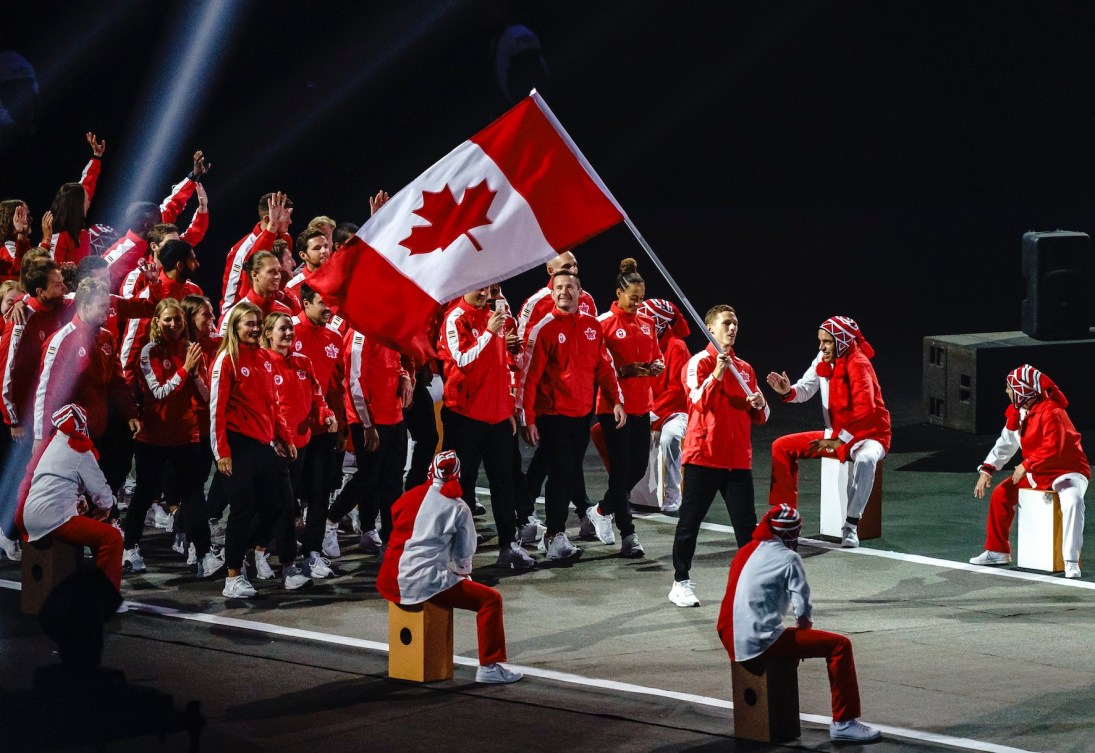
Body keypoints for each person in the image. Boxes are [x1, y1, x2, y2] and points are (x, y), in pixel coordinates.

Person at [717, 504, 882, 743]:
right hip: (758, 640)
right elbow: (803, 611)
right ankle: (844, 723)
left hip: (729, 634)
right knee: (839, 646)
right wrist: (798, 645)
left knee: (784, 635)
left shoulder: (745, 550)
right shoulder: (789, 558)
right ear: (792, 535)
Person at [377, 450, 523, 684]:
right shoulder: (458, 507)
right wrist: (463, 575)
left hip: (391, 576)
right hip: (423, 579)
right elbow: (464, 553)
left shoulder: (409, 496)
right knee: (490, 600)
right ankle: (489, 666)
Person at [519, 270, 624, 560]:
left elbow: (604, 365)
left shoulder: (592, 326)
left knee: (566, 472)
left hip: (582, 412)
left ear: (580, 292)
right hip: (553, 414)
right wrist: (527, 418)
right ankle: (555, 535)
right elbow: (529, 378)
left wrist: (616, 400)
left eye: (570, 287)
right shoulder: (544, 328)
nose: (564, 292)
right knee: (562, 473)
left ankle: (553, 534)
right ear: (552, 294)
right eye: (559, 288)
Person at [669, 305, 767, 608]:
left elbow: (760, 416)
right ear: (710, 328)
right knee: (690, 522)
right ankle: (680, 582)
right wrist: (717, 373)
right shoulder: (699, 362)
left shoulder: (746, 368)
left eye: (735, 323)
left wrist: (760, 403)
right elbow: (696, 400)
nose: (732, 328)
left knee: (747, 527)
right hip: (704, 456)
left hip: (738, 458)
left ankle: (750, 584)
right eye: (726, 323)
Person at [766, 316, 890, 548]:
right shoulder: (822, 360)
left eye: (827, 342)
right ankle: (785, 517)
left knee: (865, 459)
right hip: (836, 435)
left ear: (842, 341)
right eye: (820, 341)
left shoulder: (859, 363)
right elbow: (805, 389)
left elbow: (865, 411)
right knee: (781, 446)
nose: (821, 347)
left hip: (869, 434)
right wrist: (787, 391)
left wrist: (839, 441)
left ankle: (851, 526)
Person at [438, 285, 535, 570]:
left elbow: (503, 366)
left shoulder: (495, 315)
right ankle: (457, 551)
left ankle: (508, 546)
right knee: (458, 486)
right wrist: (491, 333)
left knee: (504, 484)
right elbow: (461, 360)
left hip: (497, 418)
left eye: (488, 289)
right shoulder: (455, 318)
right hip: (464, 416)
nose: (484, 294)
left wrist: (507, 408)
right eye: (478, 289)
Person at [124, 298, 221, 577]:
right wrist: (185, 370)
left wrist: (195, 374)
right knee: (144, 494)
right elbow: (159, 392)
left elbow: (204, 395)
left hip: (186, 435)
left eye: (178, 319)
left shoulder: (192, 350)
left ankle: (203, 555)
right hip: (153, 438)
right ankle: (129, 548)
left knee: (193, 495)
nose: (173, 324)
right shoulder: (148, 352)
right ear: (157, 321)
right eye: (167, 319)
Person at [209, 302, 299, 597]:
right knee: (242, 510)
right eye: (249, 323)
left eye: (258, 323)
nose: (256, 328)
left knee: (276, 505)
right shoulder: (227, 359)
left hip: (263, 444)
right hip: (236, 444)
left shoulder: (264, 357)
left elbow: (273, 405)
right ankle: (232, 578)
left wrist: (284, 438)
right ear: (235, 326)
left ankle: (241, 550)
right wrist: (221, 451)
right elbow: (216, 411)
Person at [969, 365, 1088, 578]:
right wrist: (988, 469)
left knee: (1073, 501)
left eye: (1009, 387)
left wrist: (1026, 465)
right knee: (1001, 495)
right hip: (1037, 472)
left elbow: (1054, 447)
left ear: (1023, 390)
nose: (1006, 391)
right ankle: (997, 551)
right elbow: (1006, 442)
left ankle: (1070, 560)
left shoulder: (1053, 412)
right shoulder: (1019, 411)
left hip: (1066, 471)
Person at [515, 250, 598, 533]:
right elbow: (523, 352)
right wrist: (525, 409)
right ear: (551, 272)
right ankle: (559, 521)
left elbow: (591, 341)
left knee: (557, 459)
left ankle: (531, 506)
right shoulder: (535, 304)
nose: (573, 268)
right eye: (565, 266)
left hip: (579, 398)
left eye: (575, 264)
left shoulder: (585, 299)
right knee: (559, 461)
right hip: (549, 398)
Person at [586, 258, 663, 557]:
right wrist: (623, 371)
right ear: (619, 293)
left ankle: (602, 509)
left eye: (641, 299)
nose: (637, 304)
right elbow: (596, 366)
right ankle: (628, 534)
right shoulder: (604, 324)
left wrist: (657, 365)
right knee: (620, 470)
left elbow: (658, 356)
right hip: (612, 407)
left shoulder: (647, 322)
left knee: (637, 468)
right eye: (633, 299)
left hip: (642, 405)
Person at [257, 312, 335, 583]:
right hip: (274, 446)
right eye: (282, 329)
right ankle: (282, 564)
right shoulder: (262, 363)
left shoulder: (303, 362)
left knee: (284, 505)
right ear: (268, 334)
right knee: (282, 506)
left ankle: (260, 552)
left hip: (300, 446)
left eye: (290, 328)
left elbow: (317, 396)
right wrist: (272, 439)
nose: (289, 333)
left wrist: (326, 414)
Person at [15, 404, 122, 593]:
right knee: (111, 538)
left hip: (27, 515)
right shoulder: (79, 449)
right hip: (52, 518)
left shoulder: (49, 444)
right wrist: (109, 506)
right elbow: (101, 492)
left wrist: (77, 499)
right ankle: (106, 596)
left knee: (85, 519)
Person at [633, 298, 691, 512]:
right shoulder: (642, 341)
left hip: (675, 410)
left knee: (669, 437)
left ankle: (673, 493)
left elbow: (677, 390)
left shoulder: (677, 347)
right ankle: (631, 492)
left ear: (658, 322)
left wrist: (652, 412)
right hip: (648, 408)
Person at [222, 191, 293, 310]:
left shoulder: (285, 238)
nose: (290, 221)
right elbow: (231, 298)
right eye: (286, 216)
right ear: (267, 218)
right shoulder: (242, 250)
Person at [40, 132, 104, 265]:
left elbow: (87, 183)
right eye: (85, 199)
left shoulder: (77, 230)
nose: (89, 200)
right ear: (76, 206)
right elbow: (50, 271)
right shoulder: (57, 237)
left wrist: (96, 157)